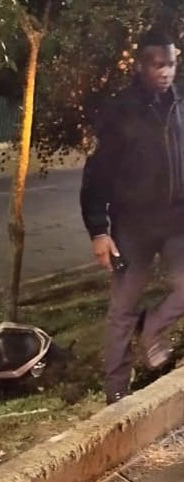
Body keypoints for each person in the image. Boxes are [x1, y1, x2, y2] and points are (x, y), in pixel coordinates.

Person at [80, 27, 184, 404]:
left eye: (170, 63)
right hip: (132, 229)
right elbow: (97, 175)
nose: (165, 71)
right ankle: (116, 394)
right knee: (123, 311)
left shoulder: (180, 102)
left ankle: (154, 328)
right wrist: (98, 231)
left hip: (177, 223)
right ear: (141, 66)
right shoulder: (120, 110)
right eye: (157, 64)